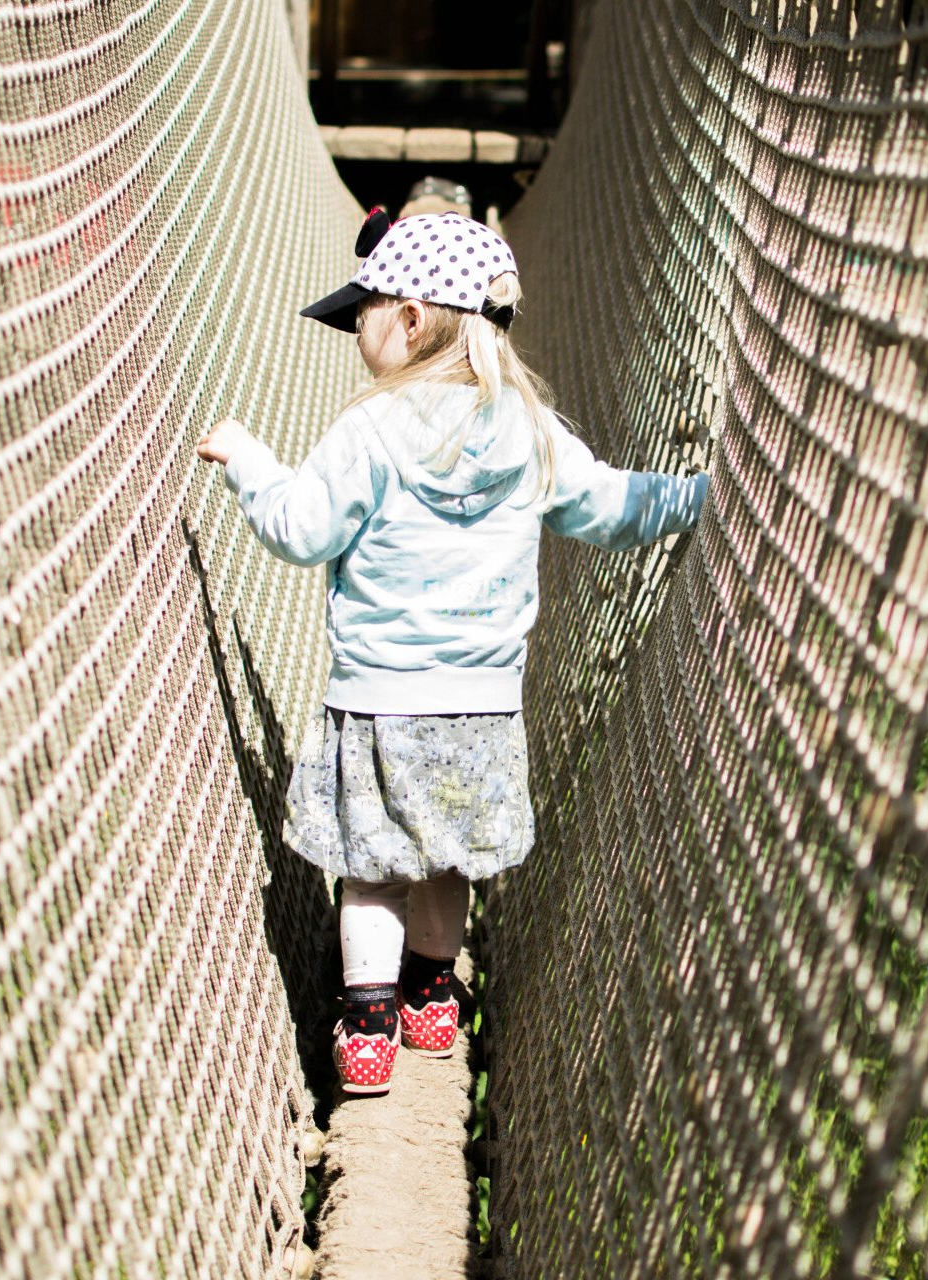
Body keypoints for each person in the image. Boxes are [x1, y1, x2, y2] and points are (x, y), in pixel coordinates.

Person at [195, 208, 708, 1095]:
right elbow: (611, 507)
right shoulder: (529, 429)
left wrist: (249, 462)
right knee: (447, 857)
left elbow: (300, 529)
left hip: (382, 700)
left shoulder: (370, 430)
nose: (356, 330)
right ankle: (433, 1001)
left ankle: (366, 1028)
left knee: (373, 871)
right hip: (482, 708)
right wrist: (700, 495)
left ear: (408, 320)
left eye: (362, 311)